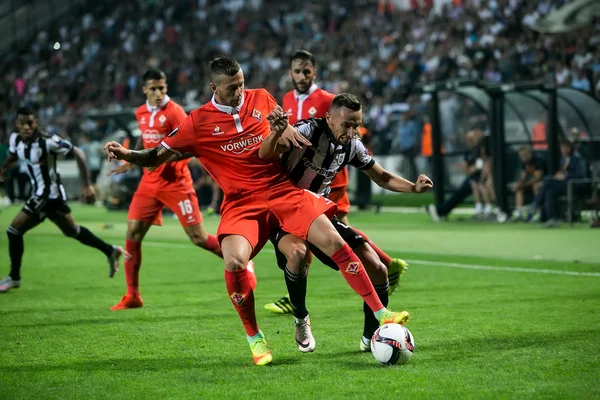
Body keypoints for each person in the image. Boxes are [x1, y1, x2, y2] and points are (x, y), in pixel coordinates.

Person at [103, 57, 410, 366]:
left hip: (281, 191)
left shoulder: (261, 98)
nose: (241, 91)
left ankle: (380, 312)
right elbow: (156, 156)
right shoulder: (197, 122)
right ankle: (255, 337)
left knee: (332, 241)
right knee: (235, 261)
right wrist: (128, 153)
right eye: (233, 87)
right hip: (241, 202)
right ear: (215, 88)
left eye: (242, 83)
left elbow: (270, 151)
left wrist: (279, 132)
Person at [259, 93, 432, 353]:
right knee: (297, 254)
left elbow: (381, 176)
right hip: (284, 212)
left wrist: (413, 188)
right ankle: (301, 319)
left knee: (378, 268)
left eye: (357, 124)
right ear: (329, 117)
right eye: (347, 124)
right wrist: (278, 133)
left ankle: (371, 337)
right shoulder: (308, 130)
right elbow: (269, 151)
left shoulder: (352, 145)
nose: (351, 131)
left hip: (320, 216)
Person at [265, 50, 408, 315]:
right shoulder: (285, 99)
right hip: (295, 183)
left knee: (335, 234)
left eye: (307, 70)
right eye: (297, 70)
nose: (302, 75)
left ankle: (381, 273)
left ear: (314, 72)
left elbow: (348, 137)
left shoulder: (330, 101)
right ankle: (380, 271)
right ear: (290, 73)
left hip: (329, 179)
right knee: (320, 238)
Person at [106, 69, 231, 311]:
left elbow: (187, 146)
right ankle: (132, 295)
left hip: (176, 183)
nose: (158, 93)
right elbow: (145, 140)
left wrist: (158, 160)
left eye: (162, 88)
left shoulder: (174, 112)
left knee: (198, 238)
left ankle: (242, 263)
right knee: (133, 232)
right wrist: (132, 160)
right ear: (144, 89)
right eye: (153, 88)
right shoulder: (140, 112)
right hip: (149, 183)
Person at [0, 107, 123, 293]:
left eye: (30, 123)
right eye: (22, 123)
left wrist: (86, 185)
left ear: (36, 123)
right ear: (16, 124)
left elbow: (79, 153)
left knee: (13, 231)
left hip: (48, 195)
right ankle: (110, 250)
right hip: (46, 196)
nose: (26, 127)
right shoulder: (15, 140)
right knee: (72, 231)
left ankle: (14, 277)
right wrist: (3, 169)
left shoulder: (48, 141)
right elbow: (12, 155)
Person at [528, 139, 588, 227]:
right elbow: (563, 172)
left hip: (575, 186)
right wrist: (560, 175)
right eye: (562, 148)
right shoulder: (564, 159)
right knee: (550, 191)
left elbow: (582, 175)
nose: (563, 150)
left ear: (570, 148)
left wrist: (566, 176)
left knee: (548, 180)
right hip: (565, 185)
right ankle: (552, 219)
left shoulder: (578, 159)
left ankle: (535, 205)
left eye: (565, 148)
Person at [511, 146, 545, 221]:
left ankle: (538, 211)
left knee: (536, 186)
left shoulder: (537, 161)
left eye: (524, 155)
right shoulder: (524, 163)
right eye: (521, 156)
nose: (523, 157)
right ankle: (518, 212)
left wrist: (525, 184)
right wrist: (520, 184)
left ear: (529, 154)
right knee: (519, 188)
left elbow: (538, 178)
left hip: (542, 183)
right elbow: (523, 177)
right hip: (530, 184)